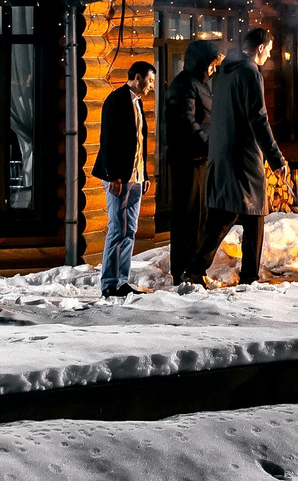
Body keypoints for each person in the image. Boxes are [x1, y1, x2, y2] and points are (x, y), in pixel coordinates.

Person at [199, 29, 287, 285]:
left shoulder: (226, 72)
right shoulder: (249, 72)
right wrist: (276, 158)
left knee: (227, 215)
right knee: (252, 214)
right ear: (260, 48)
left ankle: (198, 268)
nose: (269, 56)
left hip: (223, 151)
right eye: (269, 50)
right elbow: (258, 118)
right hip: (243, 155)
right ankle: (248, 276)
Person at [92, 61, 157, 298]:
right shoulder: (116, 100)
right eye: (150, 80)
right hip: (119, 177)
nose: (151, 86)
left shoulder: (138, 103)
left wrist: (145, 174)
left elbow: (139, 143)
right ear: (137, 77)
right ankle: (109, 283)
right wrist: (113, 176)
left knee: (130, 230)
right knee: (118, 229)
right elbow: (108, 139)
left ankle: (121, 280)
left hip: (136, 176)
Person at [163, 41, 222, 285]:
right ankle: (184, 271)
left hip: (199, 160)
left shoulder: (198, 85)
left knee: (200, 215)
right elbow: (186, 121)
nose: (214, 70)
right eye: (212, 64)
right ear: (201, 62)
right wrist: (208, 144)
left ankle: (193, 269)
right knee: (189, 216)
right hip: (188, 160)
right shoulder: (184, 85)